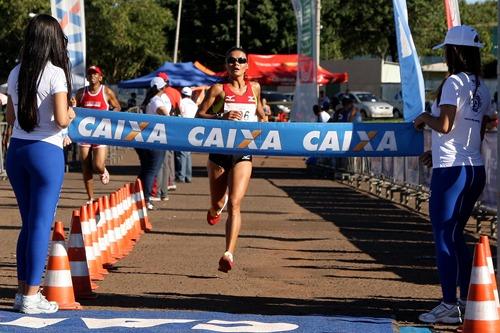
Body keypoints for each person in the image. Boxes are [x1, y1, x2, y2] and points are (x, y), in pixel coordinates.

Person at [413, 25, 492, 324]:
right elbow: (476, 132)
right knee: (455, 235)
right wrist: (439, 150)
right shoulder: (480, 87)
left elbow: (444, 124)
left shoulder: (453, 83)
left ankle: (449, 303)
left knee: (444, 236)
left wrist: (424, 118)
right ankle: (464, 299)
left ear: (453, 52)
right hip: (473, 169)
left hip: (453, 171)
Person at [5, 14, 75, 314]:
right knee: (40, 224)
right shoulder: (56, 73)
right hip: (46, 152)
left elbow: (10, 118)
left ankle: (24, 292)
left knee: (29, 224)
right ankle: (31, 296)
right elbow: (61, 119)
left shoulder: (15, 72)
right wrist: (73, 113)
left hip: (17, 150)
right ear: (53, 40)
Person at [196, 46, 266, 273]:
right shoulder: (218, 89)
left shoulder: (254, 88)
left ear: (247, 65)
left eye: (241, 60)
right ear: (226, 65)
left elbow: (262, 115)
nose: (236, 64)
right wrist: (221, 116)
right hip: (219, 152)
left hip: (243, 151)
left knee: (235, 203)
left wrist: (265, 123)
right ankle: (214, 210)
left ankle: (228, 253)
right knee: (218, 203)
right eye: (231, 60)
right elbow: (199, 116)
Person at [74, 65, 121, 203]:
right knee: (85, 164)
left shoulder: (106, 91)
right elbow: (74, 109)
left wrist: (111, 115)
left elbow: (117, 106)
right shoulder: (81, 92)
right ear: (87, 77)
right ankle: (90, 197)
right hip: (85, 133)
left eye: (95, 74)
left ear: (100, 77)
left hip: (101, 132)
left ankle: (103, 171)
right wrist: (73, 105)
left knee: (98, 165)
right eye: (90, 74)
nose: (92, 76)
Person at [135, 77, 171, 210]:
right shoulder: (156, 101)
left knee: (146, 170)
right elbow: (165, 114)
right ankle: (145, 199)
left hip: (147, 139)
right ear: (162, 88)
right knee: (151, 171)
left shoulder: (149, 100)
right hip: (155, 139)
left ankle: (139, 196)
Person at [175, 87, 197, 183]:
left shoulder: (181, 102)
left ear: (182, 93)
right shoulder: (194, 104)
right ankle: (188, 176)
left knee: (181, 153)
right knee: (187, 154)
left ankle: (181, 176)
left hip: (182, 127)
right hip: (192, 128)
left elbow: (179, 114)